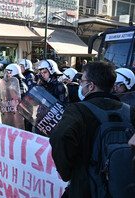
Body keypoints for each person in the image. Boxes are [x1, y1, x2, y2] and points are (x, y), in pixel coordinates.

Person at [49, 61, 135, 198]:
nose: (81, 85)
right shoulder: (130, 111)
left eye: (82, 81)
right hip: (123, 188)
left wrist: (68, 172)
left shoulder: (78, 110)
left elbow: (60, 137)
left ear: (91, 86)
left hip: (86, 188)